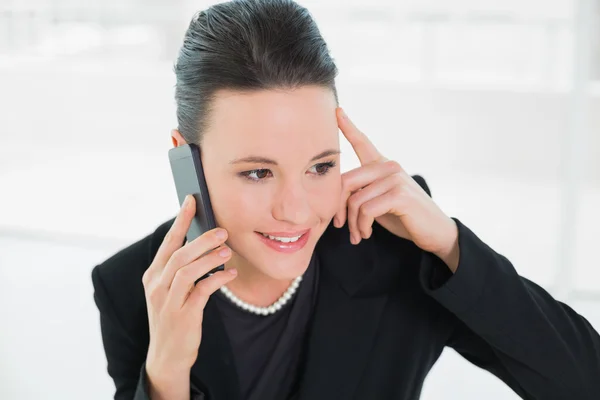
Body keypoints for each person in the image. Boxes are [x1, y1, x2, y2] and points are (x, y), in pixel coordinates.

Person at [90, 1, 600, 399]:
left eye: (320, 166)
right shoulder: (132, 289)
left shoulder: (396, 250)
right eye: (257, 172)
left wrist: (449, 244)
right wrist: (165, 373)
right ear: (187, 162)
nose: (296, 209)